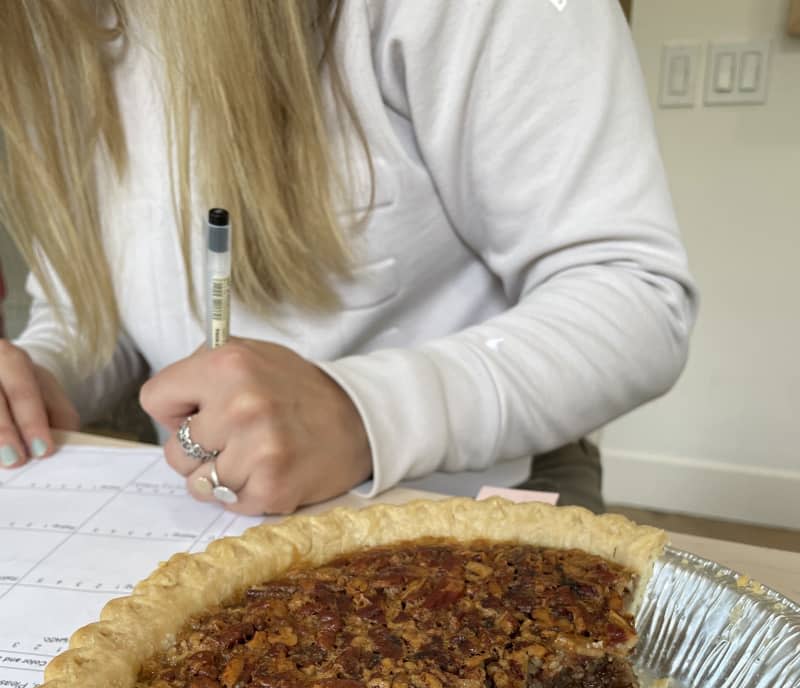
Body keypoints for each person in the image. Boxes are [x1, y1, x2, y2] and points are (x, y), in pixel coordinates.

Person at [0, 0, 696, 516]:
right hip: (194, 501)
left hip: (472, 487)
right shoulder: (48, 34)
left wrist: (363, 412)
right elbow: (98, 308)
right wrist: (43, 378)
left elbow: (634, 294)